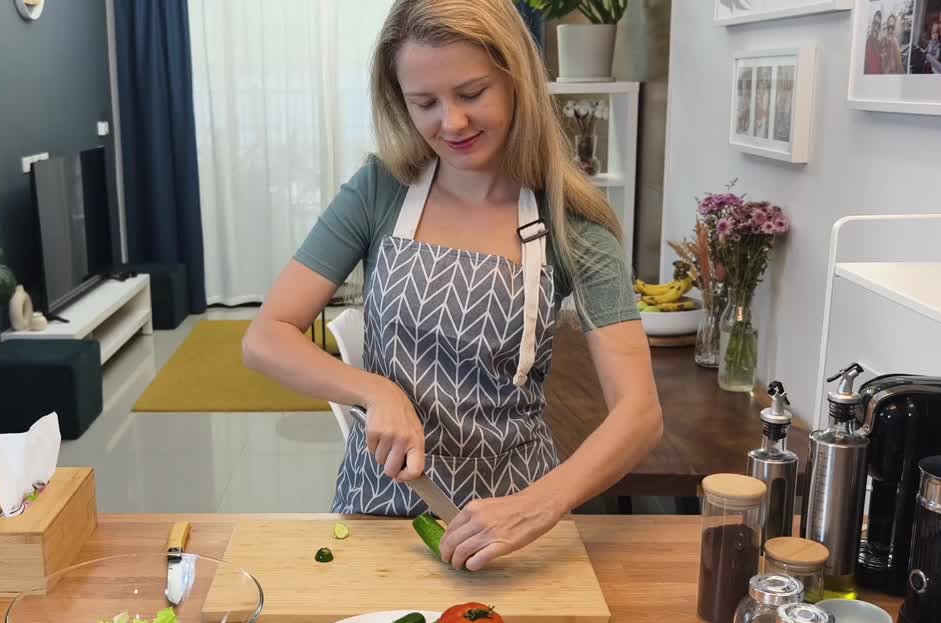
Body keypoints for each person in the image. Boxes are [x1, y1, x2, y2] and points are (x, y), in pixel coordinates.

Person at [243, 0, 663, 571]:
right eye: (425, 103)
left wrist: (537, 507)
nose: (452, 123)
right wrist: (375, 391)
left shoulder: (573, 222)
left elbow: (638, 413)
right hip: (381, 511)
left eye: (471, 94)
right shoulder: (381, 190)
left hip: (517, 523)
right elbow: (267, 336)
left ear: (518, 82)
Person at [865, 10, 884, 74]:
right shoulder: (866, 44)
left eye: (878, 26)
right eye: (875, 23)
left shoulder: (879, 45)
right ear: (872, 24)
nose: (876, 28)